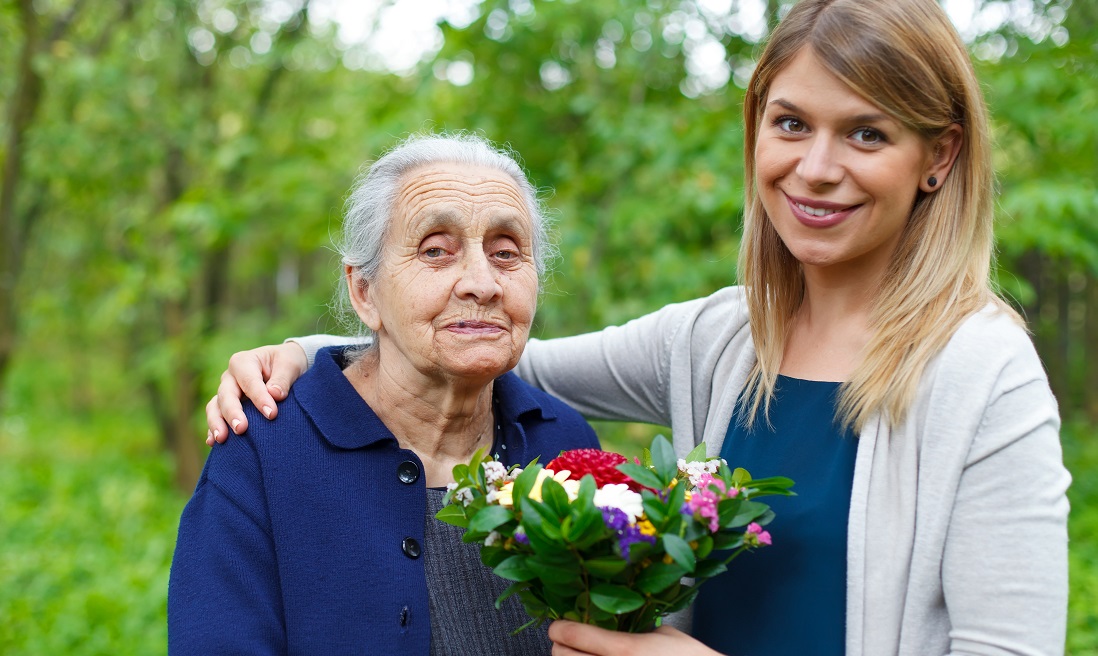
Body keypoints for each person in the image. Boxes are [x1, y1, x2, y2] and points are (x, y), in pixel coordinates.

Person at [205, 0, 1071, 654]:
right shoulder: (722, 342)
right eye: (792, 123)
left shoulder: (981, 373)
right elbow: (493, 345)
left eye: (867, 134)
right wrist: (313, 355)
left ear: (940, 157)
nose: (816, 168)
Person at [168, 133, 600, 654]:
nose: (482, 284)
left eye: (506, 253)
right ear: (364, 292)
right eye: (436, 251)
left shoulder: (566, 446)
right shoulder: (265, 448)